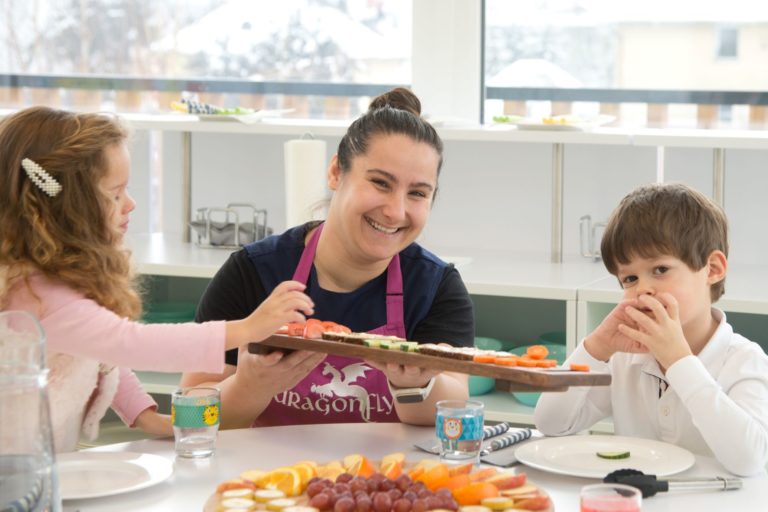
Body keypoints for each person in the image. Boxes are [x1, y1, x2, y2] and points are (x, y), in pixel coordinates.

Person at [0, 106, 314, 452]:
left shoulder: (50, 281)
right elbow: (129, 342)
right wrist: (247, 328)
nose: (130, 204)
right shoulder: (36, 298)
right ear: (66, 208)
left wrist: (148, 416)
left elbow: (102, 358)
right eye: (115, 194)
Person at [182, 88, 474, 428]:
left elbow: (450, 412)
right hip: (267, 479)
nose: (396, 211)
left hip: (384, 479)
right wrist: (249, 387)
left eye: (418, 193)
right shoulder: (253, 271)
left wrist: (415, 383)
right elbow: (190, 415)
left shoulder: (435, 287)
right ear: (336, 172)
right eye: (380, 183)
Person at [534, 182, 768, 476]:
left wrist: (679, 362)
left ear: (712, 269)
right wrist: (595, 348)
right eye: (629, 278)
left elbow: (748, 461)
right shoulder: (627, 358)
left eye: (660, 270)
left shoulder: (744, 360)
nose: (643, 289)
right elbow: (551, 423)